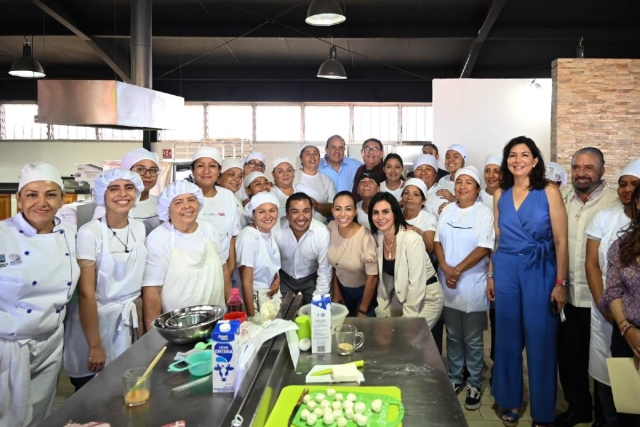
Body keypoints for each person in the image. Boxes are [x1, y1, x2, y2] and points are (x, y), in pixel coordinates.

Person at [487, 136, 568, 427]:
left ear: (535, 160)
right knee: (507, 338)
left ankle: (543, 411)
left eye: (524, 154)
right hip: (506, 267)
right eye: (512, 154)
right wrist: (492, 274)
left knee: (540, 339)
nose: (517, 159)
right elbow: (498, 239)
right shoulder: (500, 193)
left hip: (539, 269)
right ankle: (509, 400)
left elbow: (560, 240)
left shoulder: (549, 191)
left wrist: (561, 282)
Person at [0, 163, 80, 427]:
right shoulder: (2, 235)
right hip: (8, 345)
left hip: (49, 343)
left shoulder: (69, 234)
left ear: (62, 200)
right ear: (19, 200)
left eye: (50, 194)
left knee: (40, 414)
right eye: (32, 194)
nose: (41, 202)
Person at [64, 168, 147, 391]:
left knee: (125, 390)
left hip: (127, 322)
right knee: (93, 393)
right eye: (114, 188)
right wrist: (95, 345)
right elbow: (85, 293)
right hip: (95, 321)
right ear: (103, 194)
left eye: (129, 187)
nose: (123, 194)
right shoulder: (89, 233)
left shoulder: (138, 228)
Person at [557, 147, 620, 427]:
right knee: (570, 357)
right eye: (577, 167)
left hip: (601, 298)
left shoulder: (614, 202)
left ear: (602, 171)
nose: (581, 173)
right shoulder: (562, 199)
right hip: (567, 294)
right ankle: (578, 408)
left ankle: (603, 414)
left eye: (589, 167)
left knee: (604, 360)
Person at [433, 166, 494, 410]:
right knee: (453, 335)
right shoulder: (447, 210)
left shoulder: (484, 212)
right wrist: (447, 269)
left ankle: (475, 381)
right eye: (459, 182)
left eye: (469, 182)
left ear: (477, 189)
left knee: (473, 338)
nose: (462, 186)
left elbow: (484, 247)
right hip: (447, 281)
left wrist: (456, 270)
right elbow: (437, 241)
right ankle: (456, 377)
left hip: (472, 284)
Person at [586, 159, 640, 427]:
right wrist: (605, 307)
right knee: (608, 371)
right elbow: (593, 264)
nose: (628, 190)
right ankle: (606, 420)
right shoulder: (609, 222)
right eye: (623, 184)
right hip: (608, 308)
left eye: (635, 185)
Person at [141, 181, 226, 330]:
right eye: (178, 202)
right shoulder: (159, 238)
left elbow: (224, 269)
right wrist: (153, 335)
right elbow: (151, 292)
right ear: (167, 209)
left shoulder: (209, 229)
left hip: (217, 320)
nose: (187, 206)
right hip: (178, 328)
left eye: (191, 199)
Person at [598, 185, 640, 427]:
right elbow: (613, 291)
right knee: (629, 410)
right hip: (626, 336)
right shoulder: (622, 246)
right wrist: (627, 330)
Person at [369, 192, 444, 325]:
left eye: (385, 211)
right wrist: (382, 308)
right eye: (375, 212)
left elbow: (417, 283)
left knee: (409, 339)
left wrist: (407, 322)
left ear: (395, 214)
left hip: (427, 296)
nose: (380, 217)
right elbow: (385, 280)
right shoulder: (380, 238)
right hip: (401, 295)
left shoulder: (411, 239)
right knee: (386, 331)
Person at [191, 146, 240, 300]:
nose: (206, 171)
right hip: (195, 272)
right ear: (192, 170)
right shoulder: (185, 197)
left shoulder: (227, 196)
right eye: (200, 165)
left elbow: (232, 235)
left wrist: (229, 267)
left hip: (225, 270)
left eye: (212, 166)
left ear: (219, 171)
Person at [273, 193, 332, 305]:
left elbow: (324, 271)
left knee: (315, 313)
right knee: (281, 314)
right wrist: (277, 296)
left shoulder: (322, 233)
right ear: (287, 214)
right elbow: (270, 264)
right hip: (284, 277)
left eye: (306, 211)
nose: (301, 217)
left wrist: (318, 304)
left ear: (312, 212)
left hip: (311, 277)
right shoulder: (276, 228)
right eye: (295, 212)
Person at [328, 191, 378, 317]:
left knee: (362, 331)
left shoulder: (365, 237)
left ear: (355, 211)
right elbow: (335, 266)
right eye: (338, 209)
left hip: (364, 292)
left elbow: (372, 278)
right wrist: (337, 291)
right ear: (332, 211)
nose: (343, 214)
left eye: (348, 209)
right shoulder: (331, 227)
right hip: (341, 289)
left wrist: (363, 309)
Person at [92, 148, 162, 235]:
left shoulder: (162, 203)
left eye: (153, 170)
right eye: (140, 169)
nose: (148, 175)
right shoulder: (107, 207)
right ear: (126, 172)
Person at [235, 193, 282, 318]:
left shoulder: (268, 233)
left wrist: (277, 279)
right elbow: (246, 281)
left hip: (269, 295)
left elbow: (270, 263)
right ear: (253, 214)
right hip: (255, 299)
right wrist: (251, 316)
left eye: (272, 211)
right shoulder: (249, 238)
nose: (268, 216)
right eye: (261, 212)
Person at [293, 143, 337, 224]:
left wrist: (316, 205)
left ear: (319, 158)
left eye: (315, 153)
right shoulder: (292, 176)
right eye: (307, 154)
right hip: (295, 226)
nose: (312, 157)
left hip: (320, 228)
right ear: (301, 158)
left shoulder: (327, 181)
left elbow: (332, 209)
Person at [401, 178, 437, 254]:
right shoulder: (394, 215)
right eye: (406, 193)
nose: (409, 197)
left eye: (416, 194)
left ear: (423, 201)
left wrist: (419, 232)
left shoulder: (429, 218)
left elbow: (430, 248)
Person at [352, 138, 385, 203]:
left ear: (381, 153)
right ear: (362, 152)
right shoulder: (360, 170)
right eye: (367, 148)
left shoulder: (387, 170)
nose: (371, 152)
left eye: (375, 149)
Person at [218, 157, 246, 228]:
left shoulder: (236, 200)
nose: (237, 179)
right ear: (218, 178)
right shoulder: (214, 199)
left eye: (240, 176)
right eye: (231, 174)